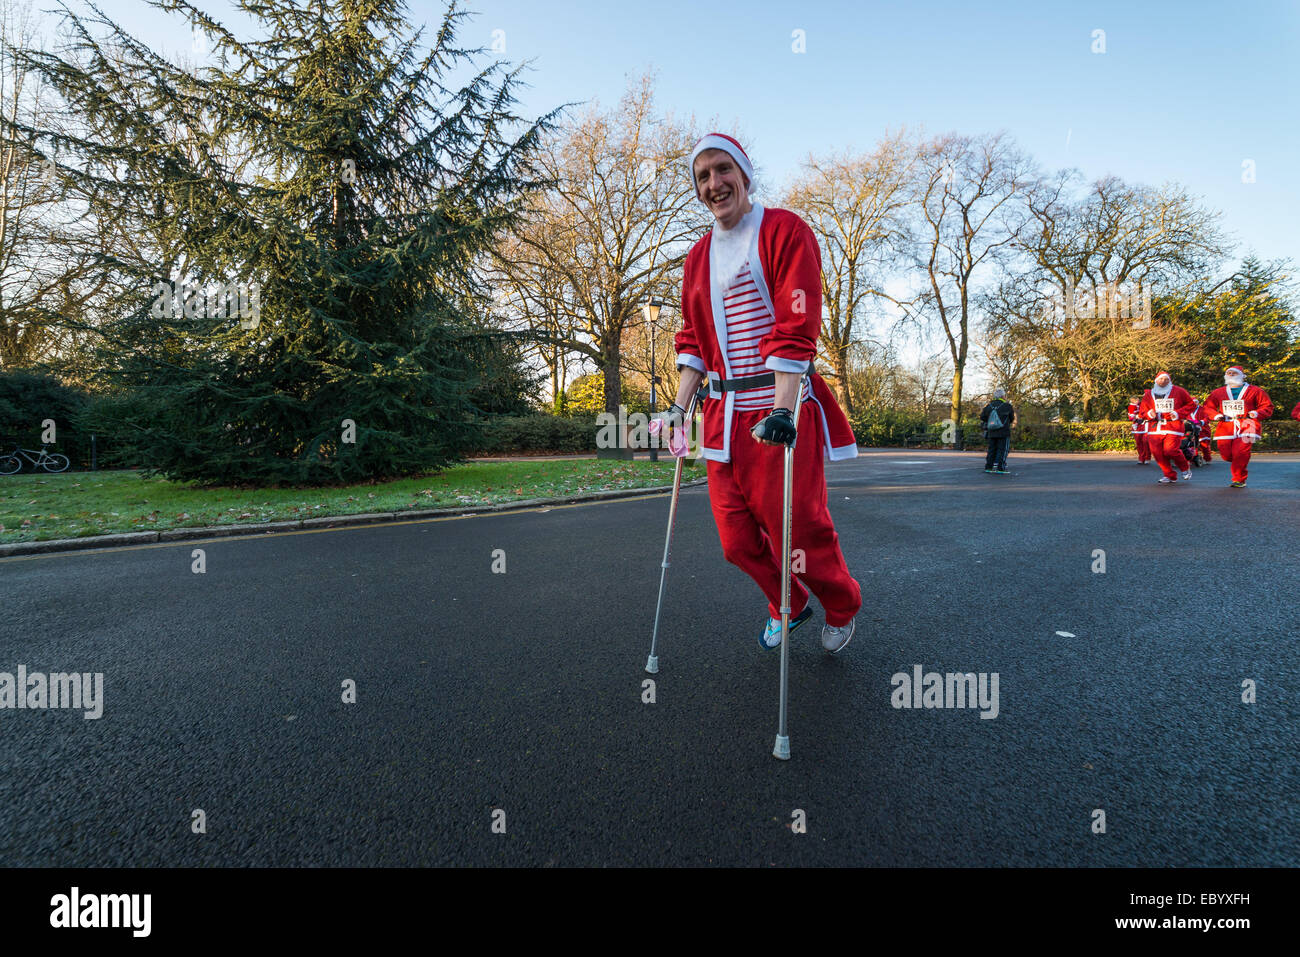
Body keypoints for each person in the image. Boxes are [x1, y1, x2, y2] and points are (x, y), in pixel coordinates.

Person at [659, 133, 862, 653]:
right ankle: (787, 602)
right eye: (702, 176)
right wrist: (679, 409)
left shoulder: (784, 229)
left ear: (744, 175)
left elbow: (797, 321)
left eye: (722, 170)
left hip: (778, 407)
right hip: (723, 417)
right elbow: (693, 340)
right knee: (736, 542)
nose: (714, 183)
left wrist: (783, 407)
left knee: (798, 528)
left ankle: (841, 604)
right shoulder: (696, 258)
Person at [1202, 366, 1274, 488]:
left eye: (1234, 373)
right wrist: (1216, 415)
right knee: (1226, 454)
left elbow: (1267, 406)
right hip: (1226, 425)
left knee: (1241, 452)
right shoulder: (1218, 392)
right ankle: (1238, 462)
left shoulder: (1256, 391)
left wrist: (1256, 413)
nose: (1231, 374)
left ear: (1242, 375)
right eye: (1228, 373)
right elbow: (1207, 407)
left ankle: (1239, 479)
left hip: (1248, 424)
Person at [1137, 371, 1196, 484]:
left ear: (1170, 381)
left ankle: (1185, 468)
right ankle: (1169, 475)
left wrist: (1178, 413)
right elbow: (1142, 412)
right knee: (1157, 453)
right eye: (1161, 379)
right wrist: (1149, 414)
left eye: (1166, 379)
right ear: (1156, 380)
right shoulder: (1149, 394)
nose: (1163, 381)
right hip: (1155, 426)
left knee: (1170, 450)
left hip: (1172, 425)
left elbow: (1191, 405)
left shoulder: (1179, 391)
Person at [979, 389, 1015, 473]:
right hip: (1003, 431)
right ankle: (1000, 467)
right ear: (1003, 396)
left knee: (991, 449)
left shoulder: (989, 406)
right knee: (1002, 449)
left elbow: (982, 417)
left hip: (991, 431)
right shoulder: (1007, 406)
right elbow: (1012, 418)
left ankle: (988, 467)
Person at [1126, 395, 1150, 465]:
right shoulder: (1131, 407)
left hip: (1145, 424)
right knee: (1138, 442)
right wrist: (1136, 416)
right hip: (1137, 425)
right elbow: (1131, 417)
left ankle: (1147, 457)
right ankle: (1141, 457)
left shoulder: (1144, 404)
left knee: (1145, 441)